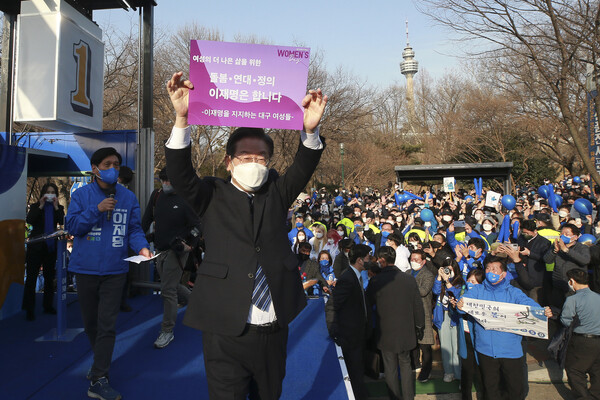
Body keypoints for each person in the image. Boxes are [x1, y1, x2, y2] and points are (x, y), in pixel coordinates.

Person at [164, 71, 327, 400]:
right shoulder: (211, 194)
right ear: (228, 162)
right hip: (224, 326)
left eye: (261, 158)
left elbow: (303, 165)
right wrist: (182, 118)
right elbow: (181, 175)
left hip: (272, 326)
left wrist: (309, 131)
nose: (254, 163)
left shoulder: (278, 192)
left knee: (269, 395)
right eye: (245, 157)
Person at [66, 147, 150, 400]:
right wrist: (97, 210)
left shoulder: (128, 197)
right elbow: (73, 227)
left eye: (116, 164)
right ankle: (99, 364)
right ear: (95, 169)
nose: (112, 168)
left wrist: (142, 247)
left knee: (107, 325)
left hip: (116, 270)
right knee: (91, 324)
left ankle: (99, 377)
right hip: (85, 269)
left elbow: (133, 229)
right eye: (107, 164)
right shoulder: (81, 196)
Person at [457, 256, 553, 400]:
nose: (491, 271)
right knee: (490, 389)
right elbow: (463, 305)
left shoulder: (513, 292)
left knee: (514, 389)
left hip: (510, 351)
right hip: (486, 350)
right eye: (488, 268)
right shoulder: (478, 290)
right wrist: (460, 306)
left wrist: (542, 311)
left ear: (503, 274)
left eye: (495, 269)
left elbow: (528, 304)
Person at [141, 167, 201, 349]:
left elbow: (197, 226)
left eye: (169, 180)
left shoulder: (186, 199)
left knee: (167, 290)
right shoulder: (157, 196)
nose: (166, 184)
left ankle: (167, 330)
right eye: (163, 180)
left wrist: (190, 245)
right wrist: (139, 240)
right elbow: (146, 220)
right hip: (159, 248)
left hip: (177, 251)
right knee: (171, 285)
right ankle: (197, 303)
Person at [366, 246, 424, 400]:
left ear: (382, 260)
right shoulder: (409, 279)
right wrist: (419, 326)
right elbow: (418, 305)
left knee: (390, 367)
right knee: (405, 365)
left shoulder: (376, 280)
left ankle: (394, 397)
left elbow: (367, 303)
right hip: (406, 330)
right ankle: (408, 397)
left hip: (385, 331)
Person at [331, 244, 372, 400]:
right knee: (354, 372)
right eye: (368, 257)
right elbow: (333, 305)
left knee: (358, 371)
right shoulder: (347, 278)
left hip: (358, 334)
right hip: (350, 335)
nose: (370, 260)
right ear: (360, 260)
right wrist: (335, 330)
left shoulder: (356, 276)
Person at [22, 182, 65, 321]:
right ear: (43, 194)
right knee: (31, 277)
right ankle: (29, 308)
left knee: (49, 277)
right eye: (48, 192)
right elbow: (30, 220)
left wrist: (56, 206)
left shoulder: (58, 208)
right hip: (36, 247)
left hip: (50, 247)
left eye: (53, 192)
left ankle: (48, 305)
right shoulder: (36, 206)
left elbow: (61, 221)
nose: (50, 195)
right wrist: (40, 205)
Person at [561, 269, 600, 399]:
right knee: (597, 370)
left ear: (572, 281)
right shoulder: (598, 297)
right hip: (598, 340)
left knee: (574, 370)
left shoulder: (573, 299)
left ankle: (583, 397)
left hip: (581, 340)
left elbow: (566, 320)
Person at [544, 223, 590, 308]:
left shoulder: (582, 248)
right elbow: (547, 260)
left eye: (566, 234)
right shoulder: (556, 246)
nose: (563, 236)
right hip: (558, 283)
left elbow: (585, 260)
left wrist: (567, 250)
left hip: (574, 286)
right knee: (557, 308)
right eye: (561, 233)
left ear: (575, 237)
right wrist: (554, 251)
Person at [433, 258, 464, 383]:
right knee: (445, 346)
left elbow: (456, 293)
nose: (448, 271)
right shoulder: (440, 281)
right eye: (446, 269)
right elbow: (435, 291)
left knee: (456, 346)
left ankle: (458, 373)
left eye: (450, 269)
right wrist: (440, 278)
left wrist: (447, 281)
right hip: (443, 315)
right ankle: (448, 372)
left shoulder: (460, 281)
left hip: (455, 317)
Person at [407, 249, 435, 383]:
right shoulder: (407, 273)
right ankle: (415, 364)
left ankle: (426, 371)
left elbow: (423, 291)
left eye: (417, 259)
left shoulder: (428, 275)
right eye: (412, 259)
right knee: (413, 342)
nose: (414, 261)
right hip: (409, 311)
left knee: (425, 344)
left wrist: (409, 285)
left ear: (423, 261)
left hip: (423, 311)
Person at [513, 219, 552, 303]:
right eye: (524, 233)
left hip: (535, 277)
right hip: (522, 275)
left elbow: (545, 258)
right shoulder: (521, 238)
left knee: (534, 302)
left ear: (535, 231)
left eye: (527, 233)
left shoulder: (544, 242)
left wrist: (529, 253)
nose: (525, 235)